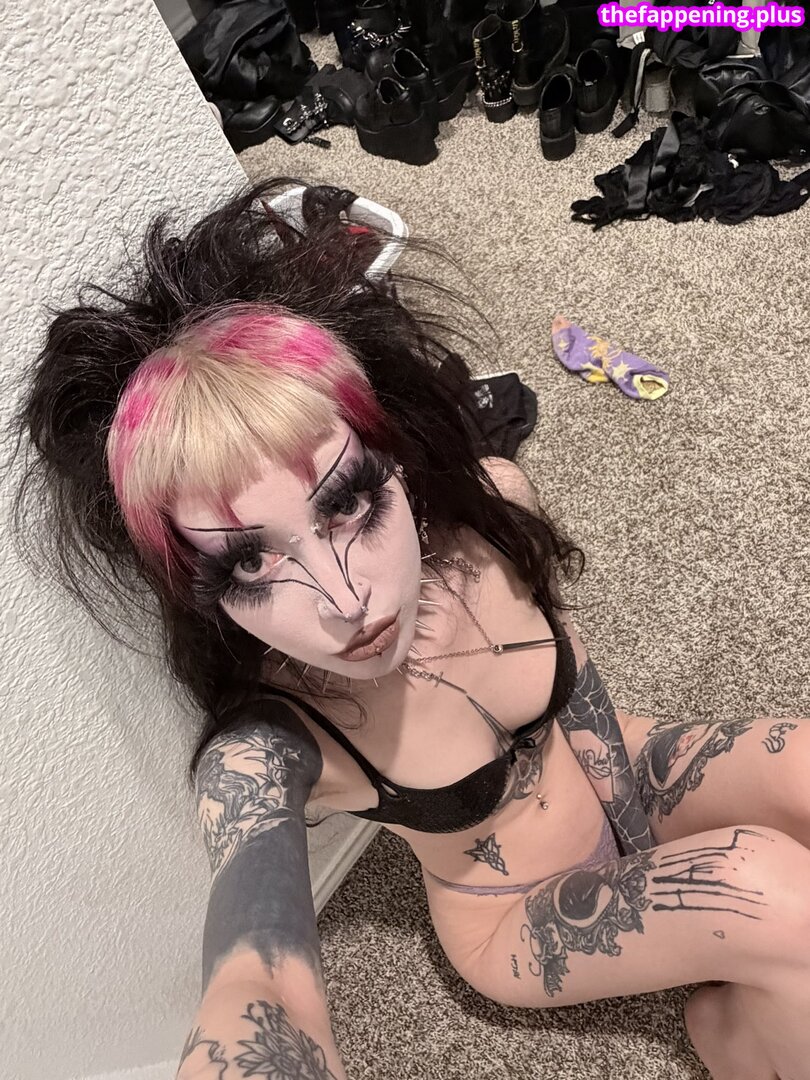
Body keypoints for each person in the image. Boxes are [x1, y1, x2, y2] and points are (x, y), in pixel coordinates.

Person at [10, 178, 810, 1080]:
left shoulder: (492, 508)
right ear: (202, 590)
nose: (344, 598)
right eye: (249, 562)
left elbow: (579, 682)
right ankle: (730, 1035)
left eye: (348, 504)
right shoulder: (265, 747)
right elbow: (258, 977)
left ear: (396, 462)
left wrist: (631, 824)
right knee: (766, 889)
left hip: (618, 766)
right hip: (516, 910)